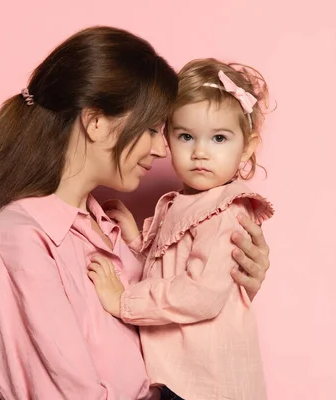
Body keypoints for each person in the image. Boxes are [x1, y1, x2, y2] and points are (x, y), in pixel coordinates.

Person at [0, 27, 272, 399]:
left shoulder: (111, 229)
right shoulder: (22, 238)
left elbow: (167, 327)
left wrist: (232, 283)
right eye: (151, 129)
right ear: (96, 123)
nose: (163, 150)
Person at [88, 58, 273, 400]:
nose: (200, 152)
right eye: (186, 136)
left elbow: (199, 295)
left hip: (207, 385)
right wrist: (137, 241)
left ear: (246, 147)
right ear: (169, 140)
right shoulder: (184, 203)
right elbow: (171, 264)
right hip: (178, 378)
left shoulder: (227, 210)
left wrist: (123, 301)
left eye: (219, 138)